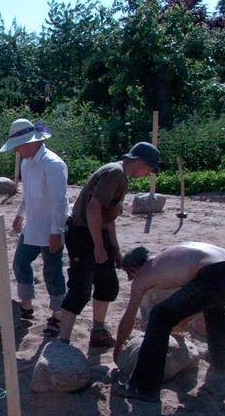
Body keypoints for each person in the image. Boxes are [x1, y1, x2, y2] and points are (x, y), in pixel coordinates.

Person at [112, 242, 225, 402]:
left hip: (219, 275)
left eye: (130, 274)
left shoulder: (144, 275)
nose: (132, 278)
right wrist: (183, 319)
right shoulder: (168, 255)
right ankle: (223, 359)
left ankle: (144, 387)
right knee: (213, 304)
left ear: (135, 269)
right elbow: (197, 294)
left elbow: (128, 319)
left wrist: (118, 346)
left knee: (160, 315)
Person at [58, 141, 159, 349]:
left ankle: (98, 332)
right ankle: (63, 342)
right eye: (149, 169)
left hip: (95, 234)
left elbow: (108, 218)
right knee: (80, 289)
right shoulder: (115, 174)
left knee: (107, 284)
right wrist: (98, 247)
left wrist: (115, 251)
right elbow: (93, 210)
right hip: (83, 235)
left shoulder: (120, 176)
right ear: (140, 162)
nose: (148, 173)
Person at [0, 118, 70, 337]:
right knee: (20, 263)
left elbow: (61, 201)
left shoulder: (53, 164)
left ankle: (58, 315)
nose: (17, 151)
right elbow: (28, 194)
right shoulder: (26, 162)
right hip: (33, 226)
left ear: (31, 142)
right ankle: (27, 306)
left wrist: (56, 231)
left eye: (19, 146)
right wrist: (19, 214)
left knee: (52, 272)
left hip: (51, 228)